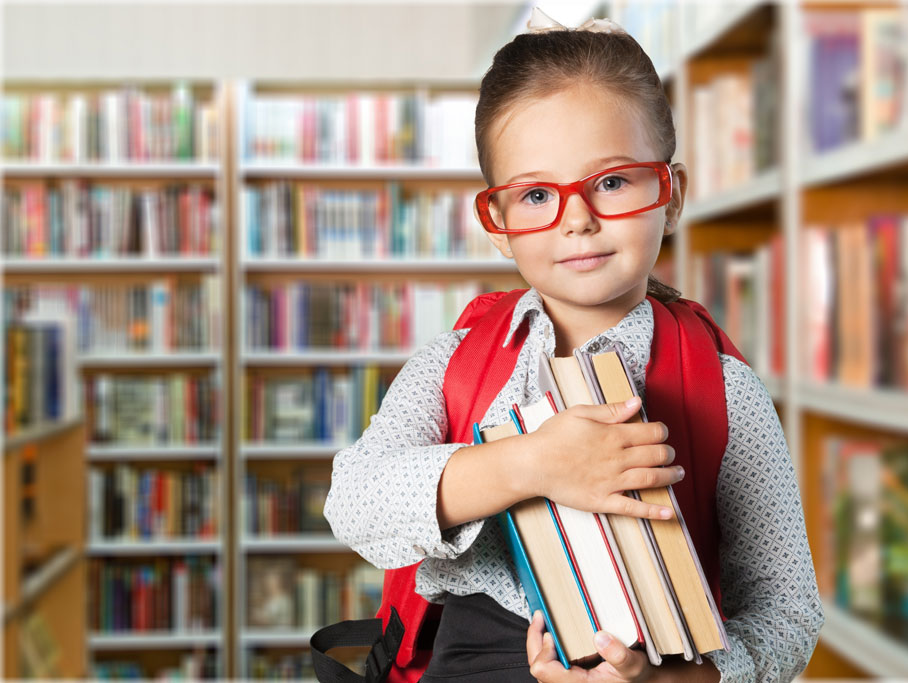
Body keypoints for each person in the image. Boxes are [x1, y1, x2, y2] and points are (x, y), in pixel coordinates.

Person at [324, 9, 823, 682]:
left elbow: (786, 606)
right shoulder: (456, 363)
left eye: (612, 182)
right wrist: (532, 463)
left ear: (670, 193)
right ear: (496, 222)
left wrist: (689, 679)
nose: (578, 220)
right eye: (536, 194)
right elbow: (353, 500)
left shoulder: (724, 388)